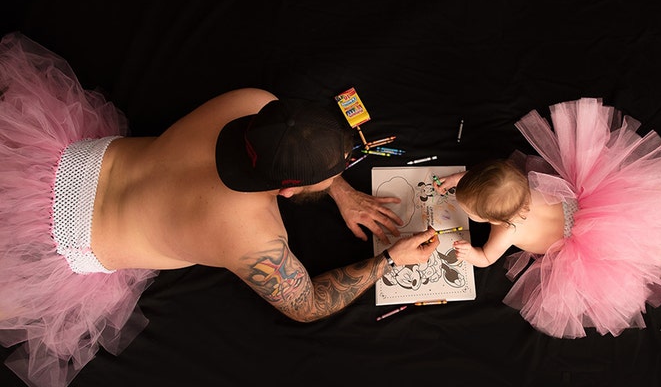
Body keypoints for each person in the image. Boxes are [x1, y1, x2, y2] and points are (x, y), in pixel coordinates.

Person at [0, 32, 439, 387]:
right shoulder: (251, 236)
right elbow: (305, 304)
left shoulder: (252, 104)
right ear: (286, 193)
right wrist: (390, 260)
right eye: (330, 177)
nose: (342, 175)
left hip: (48, 168)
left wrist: (340, 192)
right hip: (51, 248)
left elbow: (297, 146)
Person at [433, 97, 661, 339]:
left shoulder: (506, 232)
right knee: (627, 190)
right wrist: (462, 179)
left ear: (493, 220)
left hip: (586, 243)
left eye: (469, 211)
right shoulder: (521, 183)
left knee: (640, 253)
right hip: (591, 203)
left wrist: (471, 252)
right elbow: (490, 182)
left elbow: (486, 258)